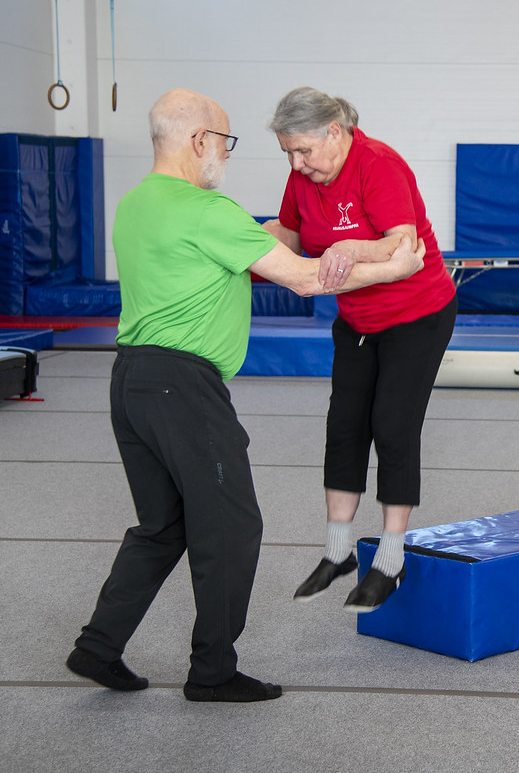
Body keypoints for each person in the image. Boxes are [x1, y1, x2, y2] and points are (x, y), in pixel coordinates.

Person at [65, 88, 425, 703]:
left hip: (130, 382)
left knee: (162, 526)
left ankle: (98, 646)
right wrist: (394, 268)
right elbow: (309, 277)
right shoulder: (209, 211)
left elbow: (267, 250)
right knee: (232, 528)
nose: (225, 155)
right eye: (225, 142)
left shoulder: (134, 205)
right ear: (201, 141)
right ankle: (212, 672)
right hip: (184, 388)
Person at [265, 86, 457, 613]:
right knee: (344, 426)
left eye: (303, 150)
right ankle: (338, 551)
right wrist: (241, 241)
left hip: (417, 314)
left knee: (392, 426)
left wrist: (352, 246)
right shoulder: (305, 175)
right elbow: (289, 232)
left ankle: (390, 560)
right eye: (288, 153)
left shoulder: (378, 163)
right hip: (357, 317)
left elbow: (402, 242)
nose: (297, 163)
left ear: (335, 131)